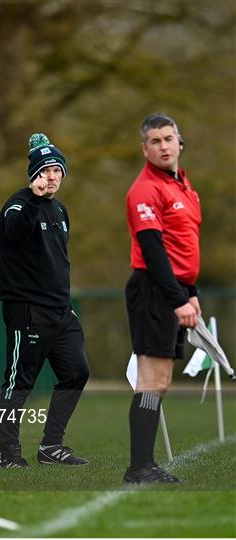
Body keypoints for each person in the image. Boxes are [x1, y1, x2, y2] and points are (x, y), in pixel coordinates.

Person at [0, 133, 90, 468]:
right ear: (33, 174)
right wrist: (34, 200)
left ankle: (52, 446)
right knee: (19, 382)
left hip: (61, 312)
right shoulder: (19, 204)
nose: (51, 176)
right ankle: (10, 454)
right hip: (28, 312)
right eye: (45, 170)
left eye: (56, 170)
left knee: (77, 371)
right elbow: (15, 232)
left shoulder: (61, 210)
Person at [124, 113, 201, 483]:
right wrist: (178, 299)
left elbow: (183, 248)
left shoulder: (183, 186)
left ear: (180, 142)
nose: (164, 146)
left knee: (161, 380)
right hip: (153, 290)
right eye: (155, 141)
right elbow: (154, 252)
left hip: (174, 290)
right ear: (145, 149)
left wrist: (192, 293)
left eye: (169, 138)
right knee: (151, 379)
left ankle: (146, 465)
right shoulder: (144, 190)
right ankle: (139, 467)